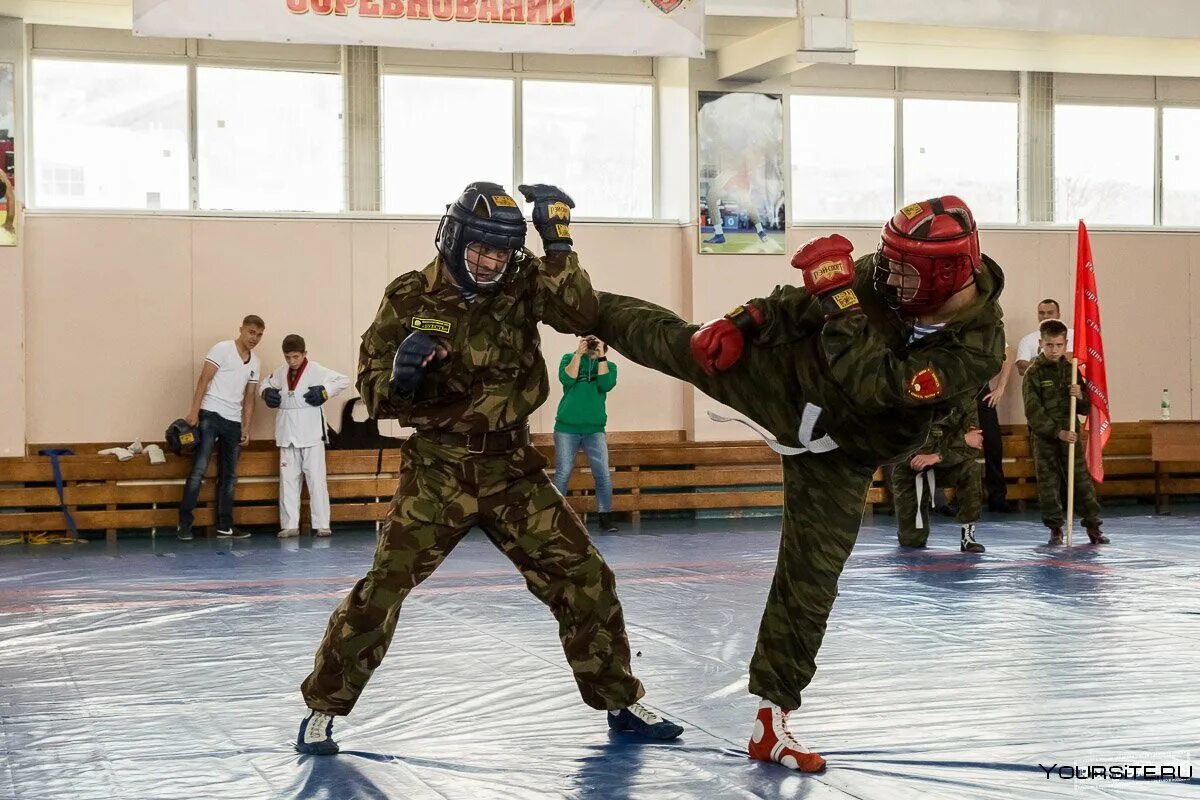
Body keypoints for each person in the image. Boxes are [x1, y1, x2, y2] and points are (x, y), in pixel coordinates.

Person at [590, 195, 1005, 772]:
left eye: (903, 267)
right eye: (887, 261)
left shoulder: (978, 345)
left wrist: (839, 303)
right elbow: (796, 302)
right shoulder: (887, 277)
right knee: (676, 342)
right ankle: (564, 298)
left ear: (946, 272)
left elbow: (874, 385)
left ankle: (771, 722)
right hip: (788, 381)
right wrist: (743, 320)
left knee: (810, 582)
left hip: (844, 451)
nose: (886, 273)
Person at [295, 182, 682, 756]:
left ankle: (619, 702)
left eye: (501, 253)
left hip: (512, 466)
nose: (489, 263)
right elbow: (375, 396)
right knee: (383, 588)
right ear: (454, 239)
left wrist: (558, 243)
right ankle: (322, 709)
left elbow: (580, 311)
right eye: (480, 250)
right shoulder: (408, 296)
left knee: (585, 576)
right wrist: (402, 379)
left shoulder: (524, 281)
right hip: (439, 468)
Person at [1022, 319, 1110, 546]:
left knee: (1081, 481)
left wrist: (1080, 394)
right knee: (1049, 484)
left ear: (1066, 344)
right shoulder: (1034, 373)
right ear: (1041, 343)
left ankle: (1093, 527)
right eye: (1049, 345)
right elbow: (1033, 413)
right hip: (1046, 438)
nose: (1054, 350)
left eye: (1059, 345)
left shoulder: (1072, 370)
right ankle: (1055, 529)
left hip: (1071, 435)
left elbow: (1084, 408)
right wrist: (1056, 432)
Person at [177, 315, 264, 541]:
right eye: (251, 332)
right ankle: (185, 524)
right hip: (211, 414)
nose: (255, 338)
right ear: (241, 330)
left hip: (233, 420)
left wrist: (246, 426)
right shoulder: (222, 349)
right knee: (199, 469)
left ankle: (225, 525)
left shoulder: (255, 362)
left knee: (230, 475)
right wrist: (194, 411)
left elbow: (250, 396)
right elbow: (204, 380)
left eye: (259, 334)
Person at [261, 334, 351, 539]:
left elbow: (343, 380)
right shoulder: (280, 372)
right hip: (287, 433)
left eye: (295, 357)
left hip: (311, 433)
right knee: (288, 480)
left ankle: (322, 524)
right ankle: (290, 524)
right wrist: (266, 393)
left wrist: (325, 392)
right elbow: (263, 385)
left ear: (304, 354)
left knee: (316, 479)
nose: (292, 362)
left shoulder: (316, 370)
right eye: (288, 357)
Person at [890, 400, 986, 552]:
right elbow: (916, 447)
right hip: (912, 468)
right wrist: (962, 440)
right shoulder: (913, 392)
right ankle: (912, 532)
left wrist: (939, 455)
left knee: (971, 467)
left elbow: (974, 446)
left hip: (947, 464)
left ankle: (968, 535)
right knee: (911, 541)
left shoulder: (965, 395)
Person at [553, 335, 619, 533]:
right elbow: (567, 378)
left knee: (603, 474)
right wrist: (578, 353)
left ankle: (605, 517)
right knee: (563, 473)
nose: (592, 344)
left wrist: (600, 357)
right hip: (566, 427)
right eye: (589, 341)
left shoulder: (609, 366)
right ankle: (556, 517)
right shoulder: (568, 358)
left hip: (594, 428)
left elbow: (606, 385)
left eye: (596, 342)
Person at [976, 341, 1018, 512]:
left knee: (993, 444)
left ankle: (997, 497)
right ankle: (962, 499)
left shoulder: (986, 328)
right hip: (956, 391)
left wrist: (1000, 387)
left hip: (980, 389)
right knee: (959, 445)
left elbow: (1008, 352)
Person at [1016, 298, 1073, 376]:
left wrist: (1039, 364)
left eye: (1050, 313)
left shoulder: (1074, 335)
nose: (1045, 316)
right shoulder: (1027, 339)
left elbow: (1073, 359)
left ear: (1058, 315)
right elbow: (1021, 366)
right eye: (1041, 313)